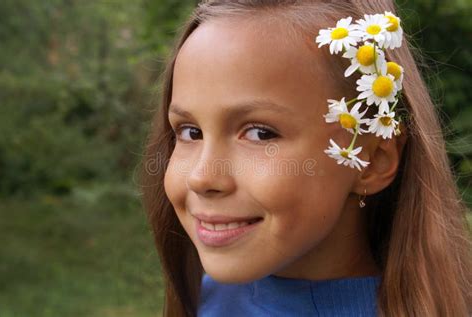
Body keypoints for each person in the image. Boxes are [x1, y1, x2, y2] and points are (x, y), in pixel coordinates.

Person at [140, 1, 472, 316]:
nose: (202, 177)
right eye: (190, 132)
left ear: (371, 161)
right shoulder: (217, 294)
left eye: (260, 133)